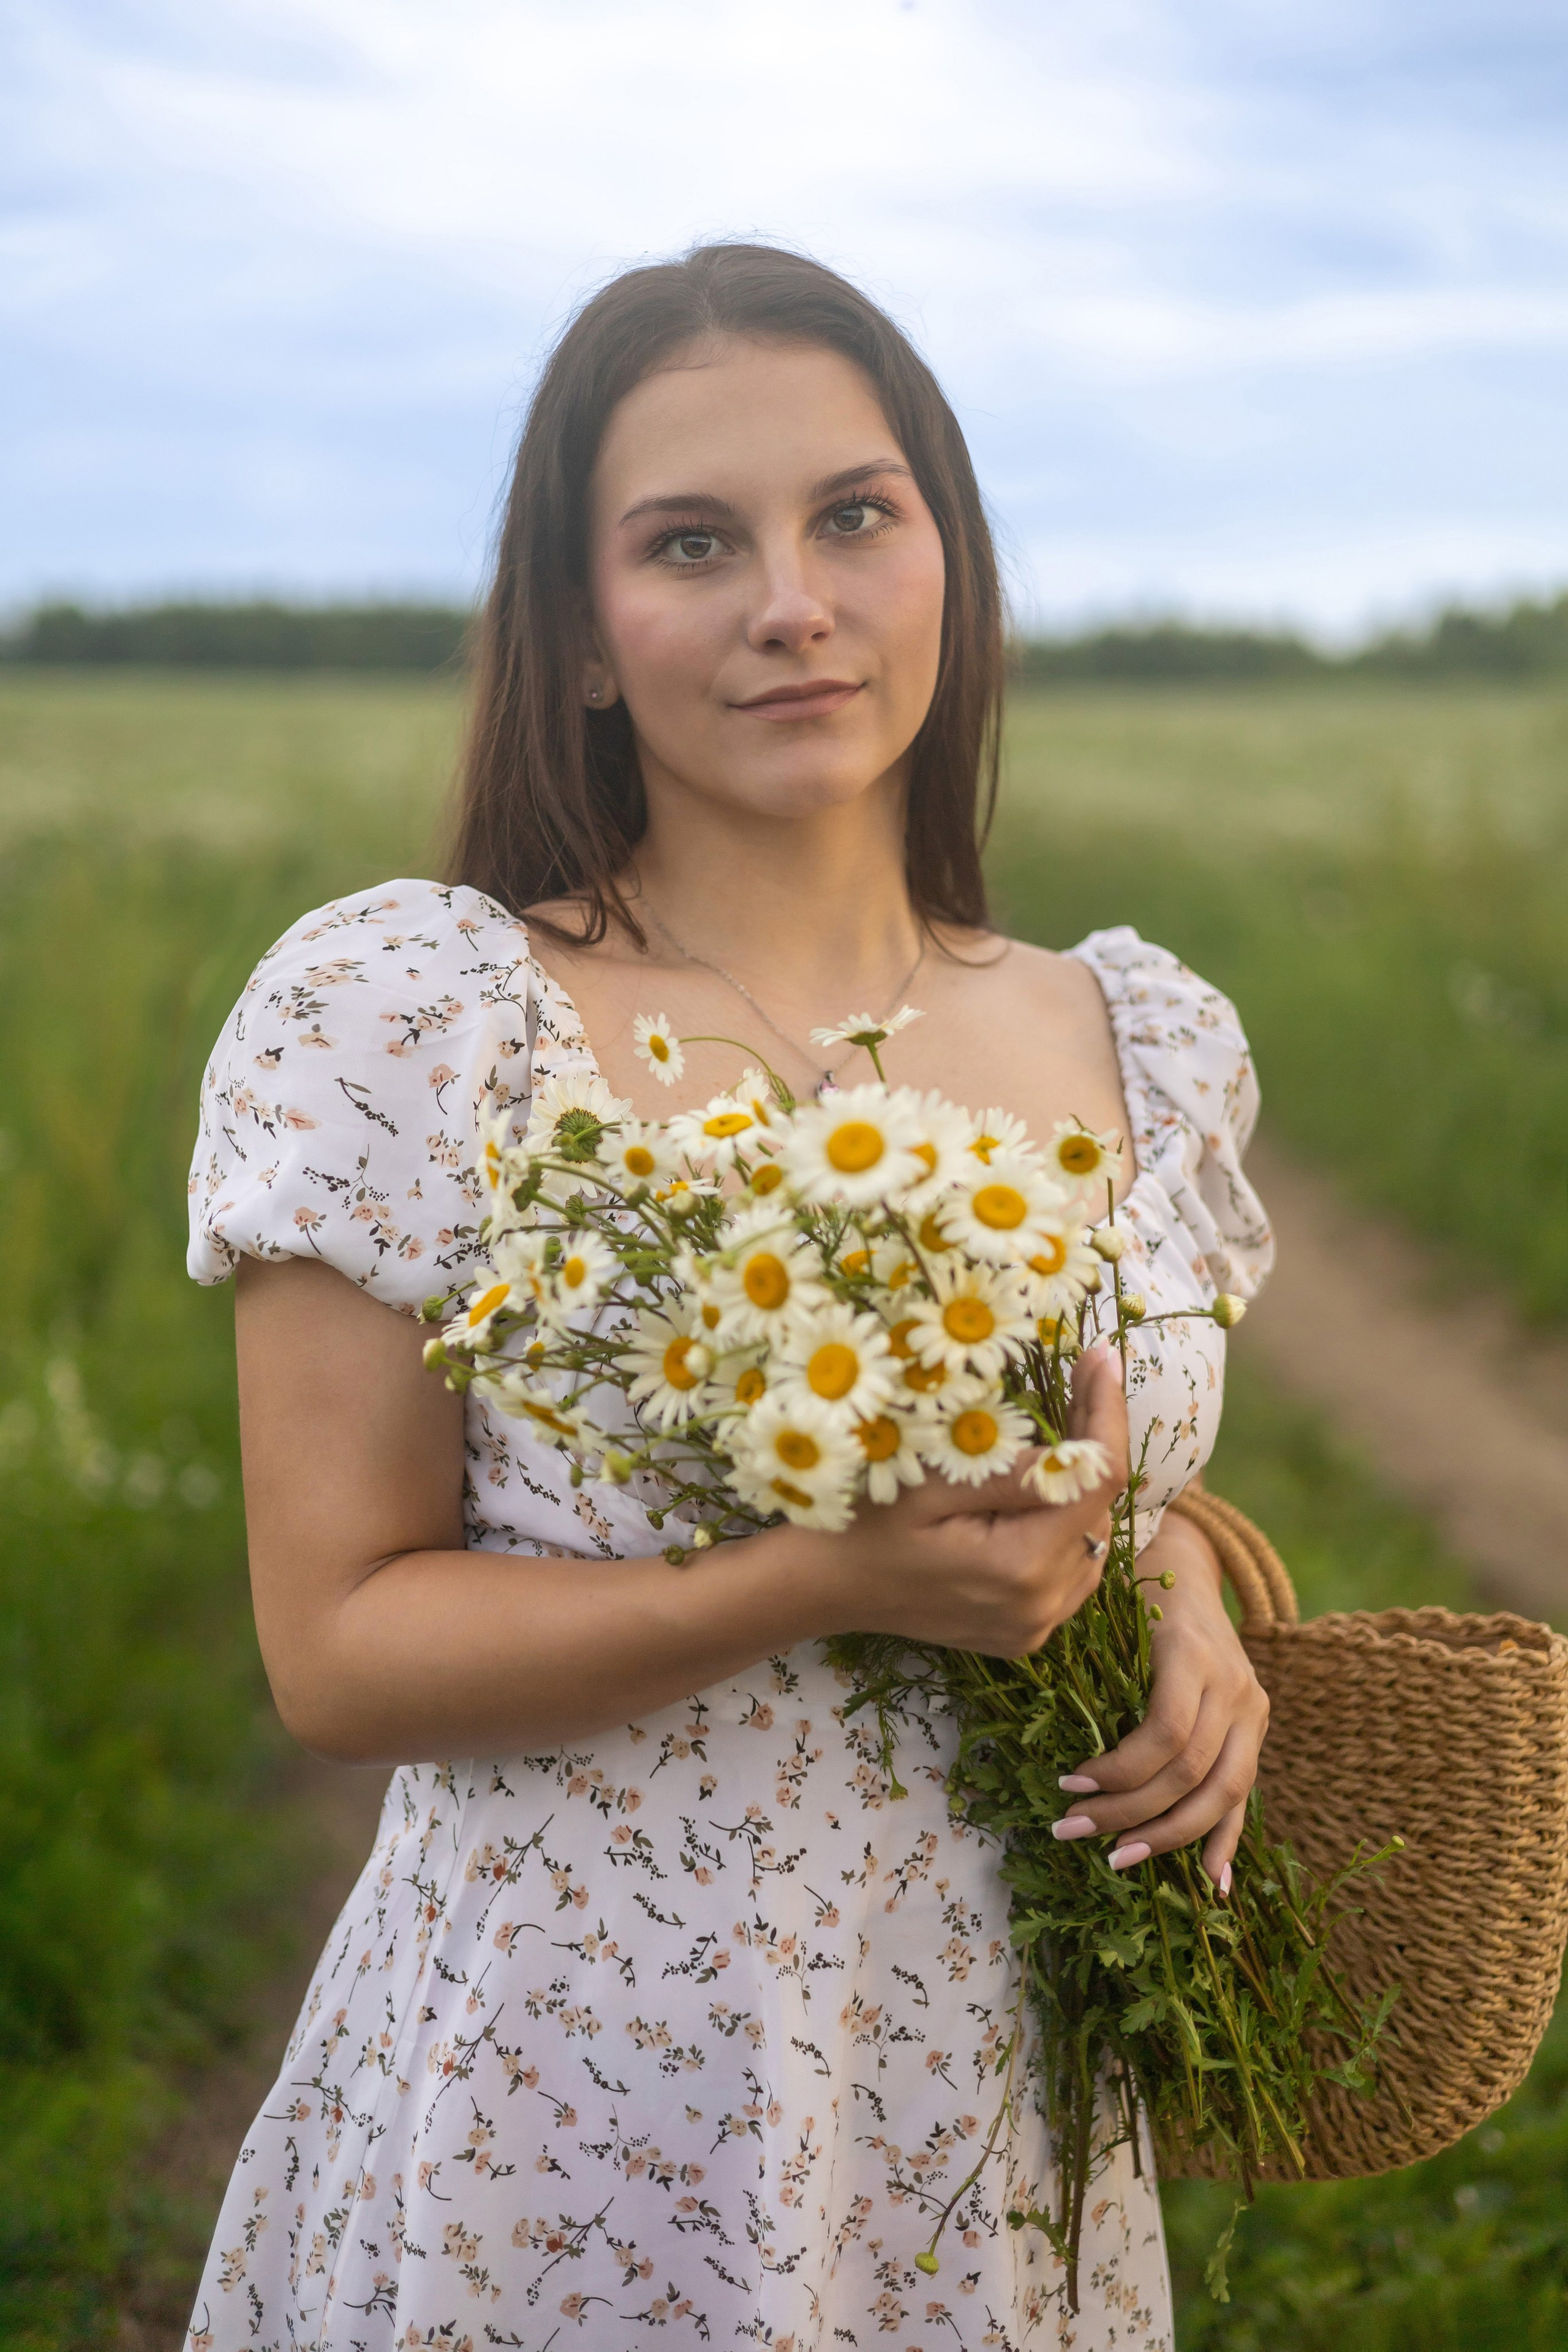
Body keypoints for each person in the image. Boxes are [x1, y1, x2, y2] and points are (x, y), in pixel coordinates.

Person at [184, 242, 1272, 2352]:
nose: (794, 601)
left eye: (855, 515)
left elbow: (1083, 1484)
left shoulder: (1137, 1038)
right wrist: (814, 1581)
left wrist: (1186, 1583)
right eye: (692, 543)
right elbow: (336, 1652)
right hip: (577, 2107)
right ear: (584, 638)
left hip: (990, 2116)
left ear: (949, 563)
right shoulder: (421, 1015)